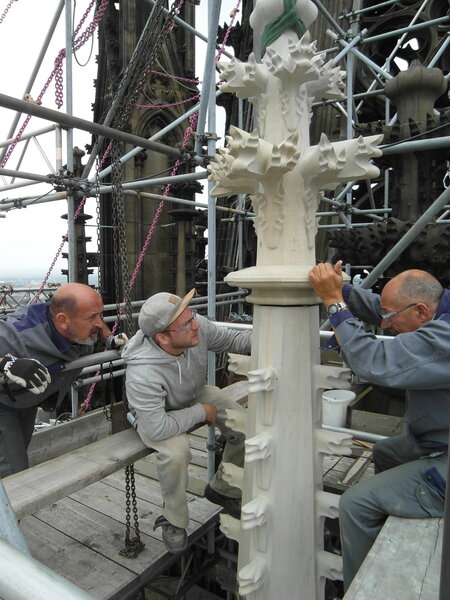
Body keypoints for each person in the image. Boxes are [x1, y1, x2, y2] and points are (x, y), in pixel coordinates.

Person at [308, 261, 450, 590]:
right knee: (385, 451)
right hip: (431, 437)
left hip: (443, 451)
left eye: (390, 318)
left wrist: (334, 303)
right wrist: (338, 288)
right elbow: (381, 307)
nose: (384, 326)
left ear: (422, 312)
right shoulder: (435, 308)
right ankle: (384, 523)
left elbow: (373, 363)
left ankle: (365, 588)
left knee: (354, 504)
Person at [122, 289, 252, 553]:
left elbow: (231, 339)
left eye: (192, 316)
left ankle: (223, 489)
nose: (197, 325)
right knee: (176, 452)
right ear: (162, 337)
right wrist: (202, 412)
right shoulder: (143, 374)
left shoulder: (196, 326)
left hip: (193, 394)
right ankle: (175, 519)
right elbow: (157, 428)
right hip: (154, 416)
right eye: (186, 324)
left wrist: (272, 338)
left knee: (246, 426)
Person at [0, 282, 115, 479]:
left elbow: (97, 322)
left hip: (25, 402)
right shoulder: (16, 336)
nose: (99, 322)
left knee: (19, 455)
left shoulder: (71, 326)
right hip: (3, 407)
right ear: (63, 321)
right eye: (91, 317)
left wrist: (109, 338)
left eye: (100, 315)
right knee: (12, 475)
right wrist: (6, 364)